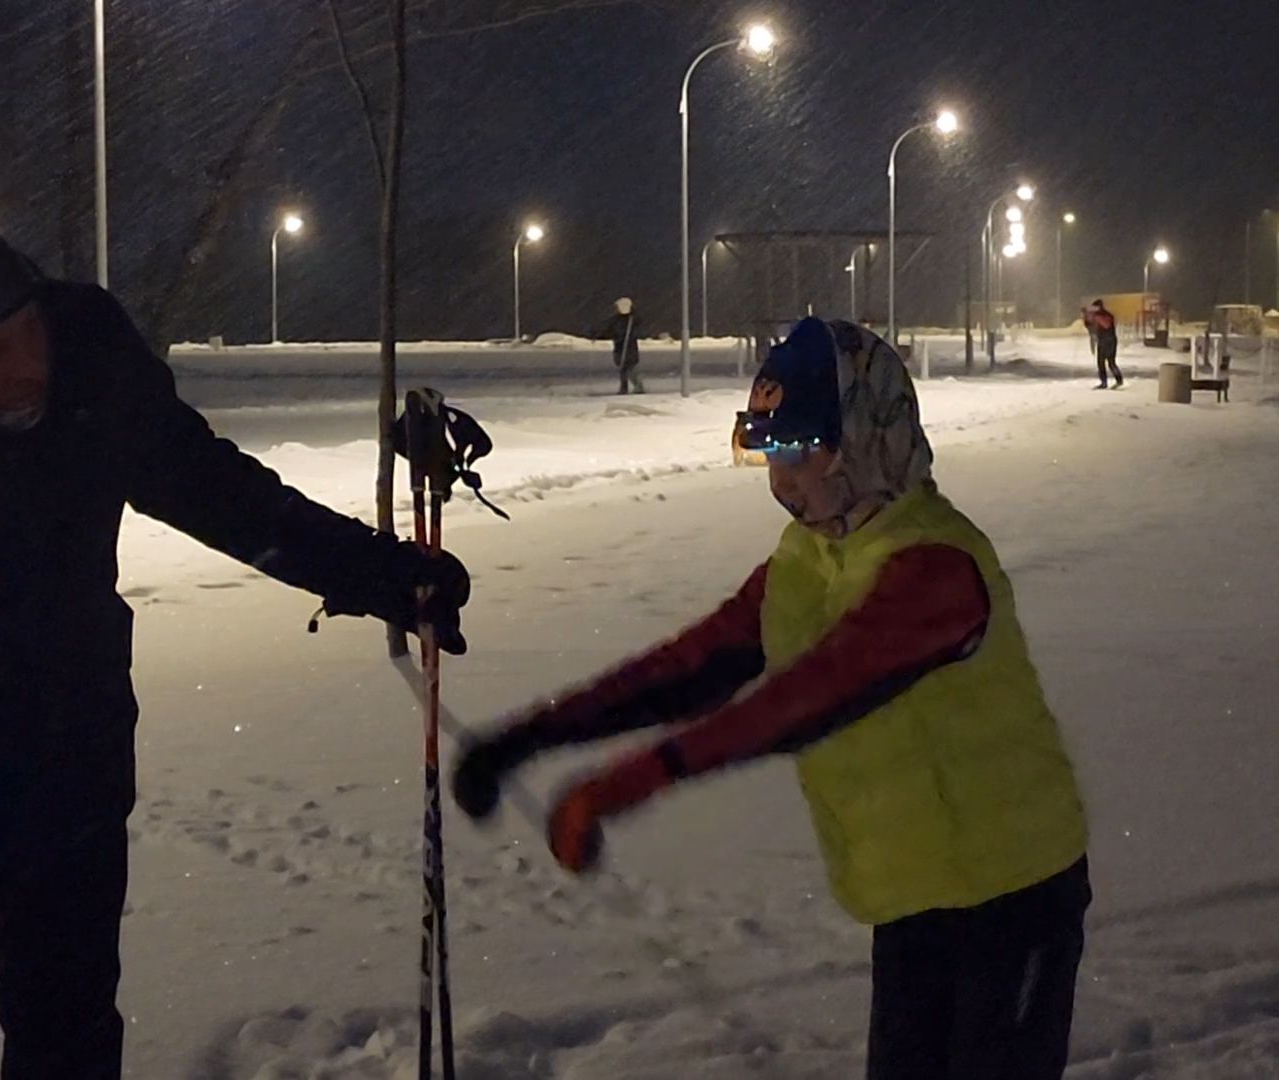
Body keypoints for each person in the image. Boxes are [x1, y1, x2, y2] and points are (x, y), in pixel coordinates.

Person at [0, 172, 472, 1080]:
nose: (28, 363)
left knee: (67, 1028)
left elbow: (207, 486)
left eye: (27, 329)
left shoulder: (84, 359)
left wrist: (375, 572)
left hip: (61, 744)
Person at [453, 317, 1090, 1080]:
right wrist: (528, 738)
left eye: (798, 449)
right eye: (764, 447)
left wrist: (633, 780)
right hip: (915, 895)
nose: (779, 477)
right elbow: (693, 665)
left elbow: (810, 697)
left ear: (864, 439)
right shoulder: (812, 555)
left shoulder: (936, 568)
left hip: (1013, 895)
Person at [601, 296, 644, 395]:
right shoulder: (617, 321)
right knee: (624, 369)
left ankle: (636, 386)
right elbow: (609, 331)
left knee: (630, 368)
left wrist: (618, 336)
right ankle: (625, 387)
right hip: (621, 348)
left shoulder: (631, 321)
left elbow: (623, 333)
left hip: (628, 349)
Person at [1085, 299, 1122, 389]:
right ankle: (1103, 382)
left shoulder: (1106, 315)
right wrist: (1087, 320)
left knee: (1111, 363)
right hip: (1102, 341)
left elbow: (1106, 325)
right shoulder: (1097, 316)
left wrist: (1095, 317)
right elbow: (1091, 328)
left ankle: (1119, 380)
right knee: (1100, 363)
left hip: (1109, 341)